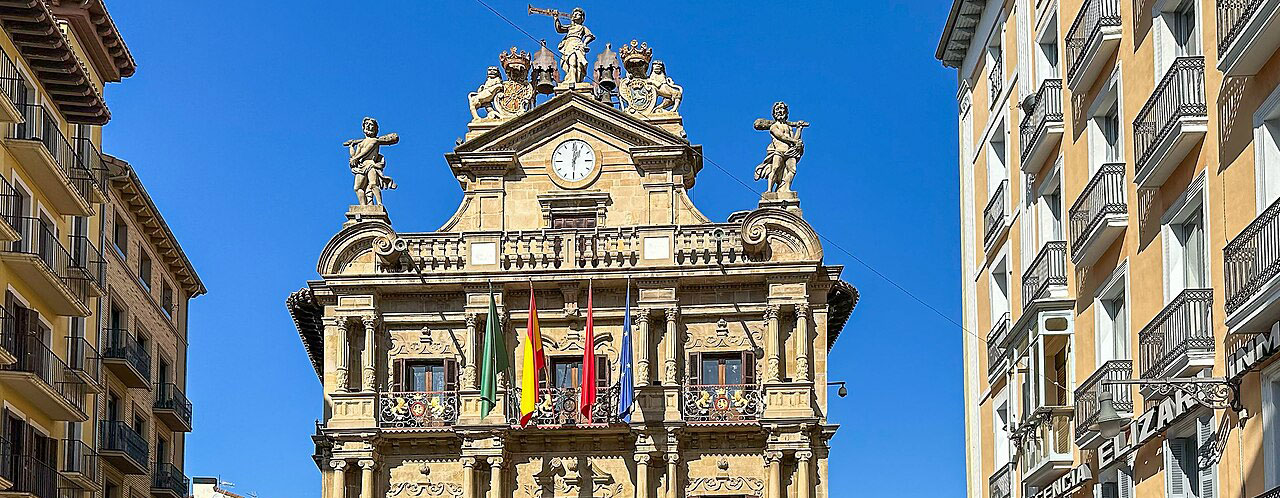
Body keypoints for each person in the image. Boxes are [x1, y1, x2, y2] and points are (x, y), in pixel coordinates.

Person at [754, 102, 808, 194]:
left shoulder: (789, 127)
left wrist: (799, 128)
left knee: (793, 170)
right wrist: (795, 141)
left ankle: (785, 189)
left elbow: (794, 139)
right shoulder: (774, 126)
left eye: (782, 109)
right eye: (777, 109)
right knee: (775, 168)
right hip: (779, 151)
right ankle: (769, 190)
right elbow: (781, 137)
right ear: (774, 114)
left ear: (786, 112)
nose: (780, 111)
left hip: (790, 152)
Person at [344, 117, 399, 205]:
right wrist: (351, 148)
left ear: (375, 128)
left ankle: (379, 203)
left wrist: (356, 158)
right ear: (363, 127)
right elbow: (355, 155)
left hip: (370, 164)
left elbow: (367, 151)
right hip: (361, 166)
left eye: (371, 125)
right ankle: (364, 206)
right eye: (367, 124)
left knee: (373, 184)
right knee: (357, 188)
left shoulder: (375, 141)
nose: (368, 126)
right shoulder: (360, 143)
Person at [553, 7, 594, 85]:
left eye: (578, 14)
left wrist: (584, 43)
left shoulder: (582, 28)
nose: (575, 15)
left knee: (577, 63)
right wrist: (556, 18)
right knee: (570, 61)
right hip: (568, 44)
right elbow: (559, 29)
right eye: (574, 14)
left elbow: (590, 36)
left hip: (577, 44)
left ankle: (575, 79)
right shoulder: (570, 27)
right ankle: (571, 78)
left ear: (582, 18)